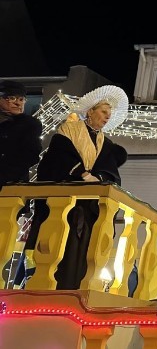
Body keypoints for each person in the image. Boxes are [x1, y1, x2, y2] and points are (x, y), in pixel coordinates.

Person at [19, 85, 129, 289]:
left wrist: (99, 177)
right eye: (104, 112)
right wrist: (81, 173)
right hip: (63, 200)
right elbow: (56, 159)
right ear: (90, 111)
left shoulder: (105, 142)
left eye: (109, 114)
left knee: (81, 250)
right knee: (55, 245)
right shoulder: (69, 130)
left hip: (87, 206)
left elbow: (110, 169)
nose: (107, 117)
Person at [0, 80, 42, 191]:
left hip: (13, 186)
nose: (18, 103)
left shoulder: (29, 124)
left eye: (21, 99)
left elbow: (31, 156)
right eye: (12, 98)